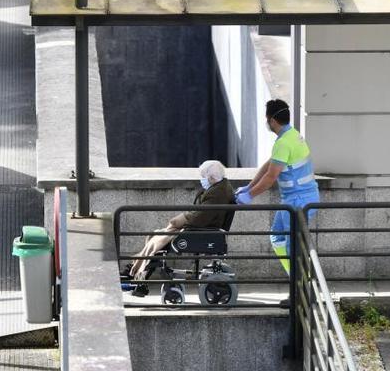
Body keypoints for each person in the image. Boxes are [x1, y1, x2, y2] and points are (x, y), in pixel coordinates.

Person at [127, 160, 235, 296]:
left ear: (211, 178)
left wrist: (181, 220)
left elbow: (201, 217)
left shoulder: (217, 193)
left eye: (203, 176)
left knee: (159, 238)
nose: (201, 180)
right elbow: (203, 213)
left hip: (201, 230)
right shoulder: (220, 188)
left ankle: (138, 272)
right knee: (156, 235)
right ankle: (136, 268)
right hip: (204, 228)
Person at [235, 99, 319, 273]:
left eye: (267, 119)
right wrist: (249, 187)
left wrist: (250, 196)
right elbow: (270, 165)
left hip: (298, 201)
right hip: (295, 198)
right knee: (277, 238)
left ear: (272, 120)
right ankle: (294, 280)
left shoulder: (283, 143)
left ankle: (302, 291)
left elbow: (271, 176)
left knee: (293, 248)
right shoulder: (292, 135)